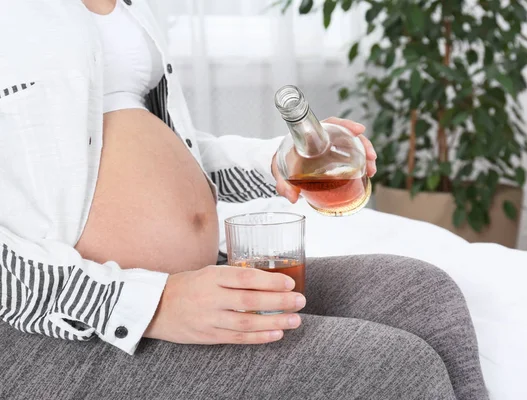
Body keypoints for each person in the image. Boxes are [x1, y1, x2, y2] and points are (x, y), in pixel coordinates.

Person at [0, 1, 489, 399]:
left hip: (185, 280)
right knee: (393, 368)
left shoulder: (127, 8)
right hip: (63, 326)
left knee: (423, 296)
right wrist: (149, 305)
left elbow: (160, 148)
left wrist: (275, 164)